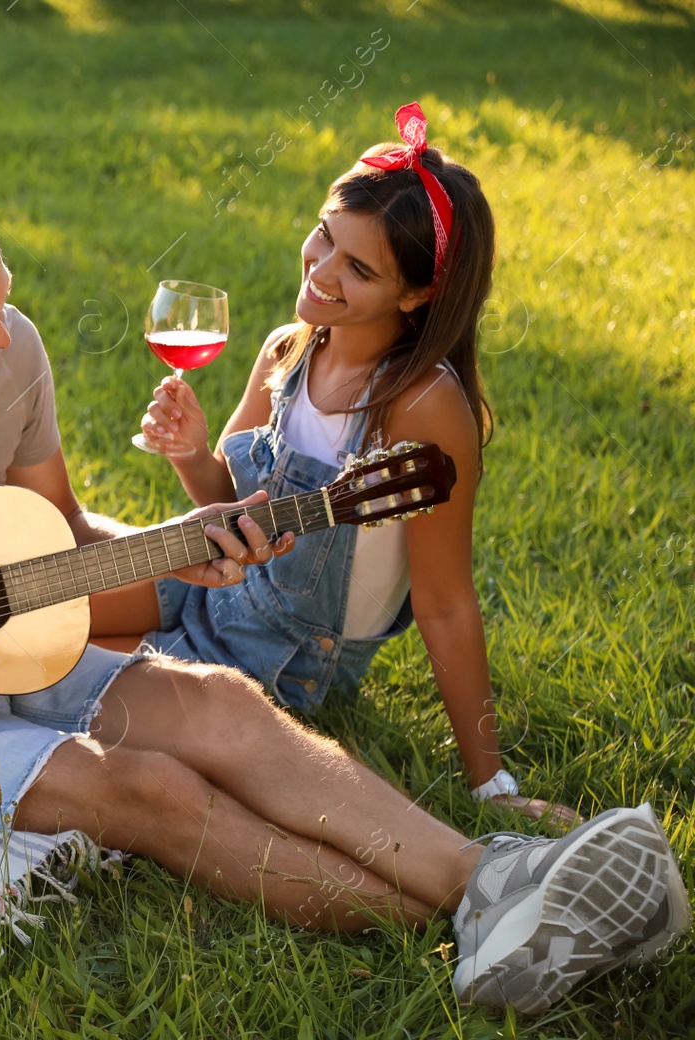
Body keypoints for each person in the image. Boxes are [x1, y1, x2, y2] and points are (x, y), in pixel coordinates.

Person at [0, 168, 686, 1014]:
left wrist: (176, 548)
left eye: (3, 306)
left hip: (4, 645)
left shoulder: (10, 351)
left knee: (214, 702)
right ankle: (493, 920)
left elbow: (58, 548)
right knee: (151, 793)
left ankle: (494, 887)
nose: (1, 338)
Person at [96, 103, 569, 824]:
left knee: (67, 678)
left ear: (416, 294)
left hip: (283, 657)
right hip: (204, 587)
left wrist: (491, 787)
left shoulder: (419, 406)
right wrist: (192, 453)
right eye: (324, 236)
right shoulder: (291, 347)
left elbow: (445, 604)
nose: (321, 270)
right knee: (40, 609)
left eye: (359, 267)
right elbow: (228, 503)